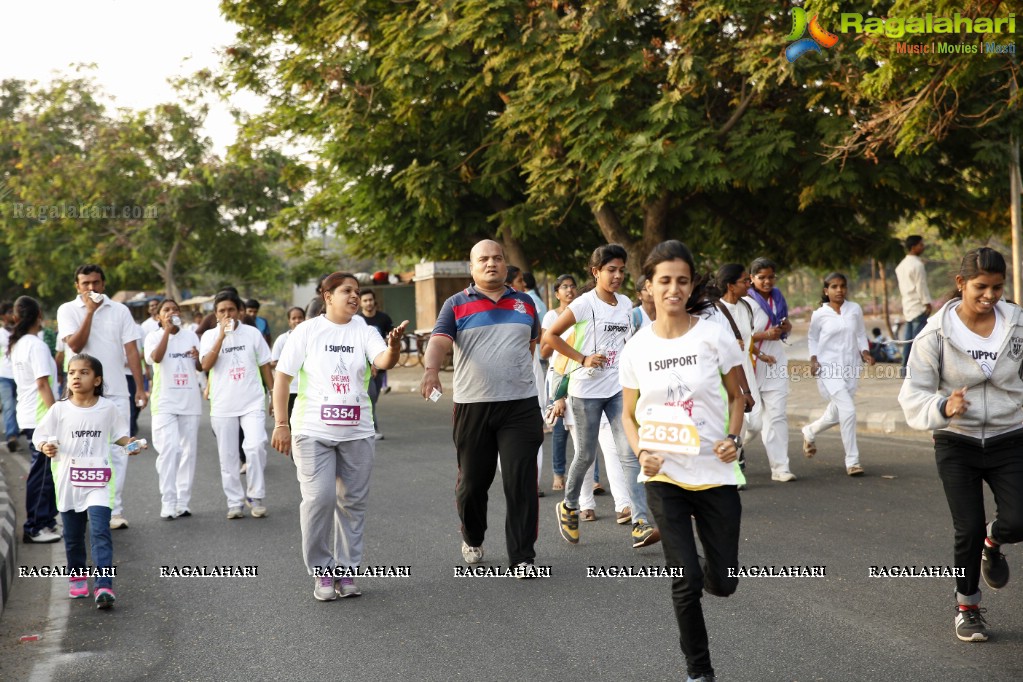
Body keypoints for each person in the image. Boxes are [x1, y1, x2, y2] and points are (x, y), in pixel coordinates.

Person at [620, 240, 746, 682]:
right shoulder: (635, 348)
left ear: (692, 285)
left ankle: (714, 573)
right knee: (685, 580)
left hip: (715, 474)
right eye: (664, 281)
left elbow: (737, 397)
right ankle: (699, 672)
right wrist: (641, 453)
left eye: (682, 280)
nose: (673, 289)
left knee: (724, 581)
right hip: (665, 477)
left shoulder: (713, 334)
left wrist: (734, 438)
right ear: (650, 287)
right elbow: (628, 415)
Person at [899, 247, 1023, 643]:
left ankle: (995, 538)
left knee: (1018, 521)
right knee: (966, 527)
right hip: (958, 441)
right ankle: (967, 607)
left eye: (997, 287)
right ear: (960, 284)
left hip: (1010, 436)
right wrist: (943, 405)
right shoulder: (934, 333)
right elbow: (913, 392)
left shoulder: (1017, 325)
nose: (990, 296)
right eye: (980, 287)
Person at [272, 272, 407, 600]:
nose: (354, 297)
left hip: (358, 431)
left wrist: (394, 345)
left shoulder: (364, 329)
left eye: (357, 292)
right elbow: (282, 378)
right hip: (311, 430)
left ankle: (346, 570)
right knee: (320, 499)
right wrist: (280, 423)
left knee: (353, 502)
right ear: (327, 295)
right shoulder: (307, 331)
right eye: (347, 291)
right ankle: (321, 570)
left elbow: (384, 360)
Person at [419, 239, 544, 574]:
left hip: (520, 406)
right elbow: (440, 341)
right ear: (472, 267)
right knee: (472, 484)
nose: (492, 264)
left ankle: (522, 557)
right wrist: (431, 371)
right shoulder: (456, 304)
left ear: (506, 265)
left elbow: (530, 344)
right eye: (484, 259)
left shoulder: (526, 304)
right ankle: (473, 535)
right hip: (474, 406)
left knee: (520, 480)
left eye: (498, 258)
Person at [545, 243, 659, 549]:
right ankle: (569, 505)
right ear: (596, 272)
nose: (618, 275)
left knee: (629, 452)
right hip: (585, 391)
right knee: (586, 454)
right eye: (611, 270)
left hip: (618, 389)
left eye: (622, 270)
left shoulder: (625, 305)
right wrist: (582, 359)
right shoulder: (583, 304)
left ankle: (640, 522)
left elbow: (631, 344)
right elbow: (550, 337)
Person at [33, 354, 148, 608]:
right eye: (72, 372)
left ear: (97, 380)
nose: (76, 376)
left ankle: (104, 586)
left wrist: (131, 445)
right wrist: (45, 446)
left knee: (100, 532)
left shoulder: (107, 408)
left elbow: (120, 436)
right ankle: (77, 577)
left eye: (84, 372)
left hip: (99, 482)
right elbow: (39, 436)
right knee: (73, 537)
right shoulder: (59, 409)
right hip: (68, 483)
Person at [57, 264, 147, 530]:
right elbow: (74, 345)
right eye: (85, 284)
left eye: (96, 283)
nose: (91, 289)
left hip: (117, 390)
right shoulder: (67, 310)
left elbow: (131, 351)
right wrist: (90, 313)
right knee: (84, 451)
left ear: (104, 284)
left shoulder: (120, 310)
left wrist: (140, 388)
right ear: (77, 286)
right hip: (80, 396)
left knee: (119, 451)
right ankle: (86, 506)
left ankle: (113, 510)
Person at [200, 290, 274, 519]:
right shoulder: (209, 336)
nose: (227, 314)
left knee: (256, 445)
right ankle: (234, 501)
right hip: (223, 404)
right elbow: (205, 365)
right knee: (228, 456)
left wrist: (272, 394)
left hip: (252, 401)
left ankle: (255, 495)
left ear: (239, 311)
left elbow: (265, 365)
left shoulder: (252, 334)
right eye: (222, 311)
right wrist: (221, 336)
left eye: (231, 309)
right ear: (215, 314)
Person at [801, 273, 875, 476]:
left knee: (837, 412)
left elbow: (860, 334)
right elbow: (812, 338)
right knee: (848, 411)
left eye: (842, 286)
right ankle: (853, 461)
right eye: (834, 286)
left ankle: (810, 431)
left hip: (851, 366)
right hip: (828, 367)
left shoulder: (854, 310)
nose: (839, 290)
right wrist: (814, 359)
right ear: (826, 291)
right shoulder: (820, 314)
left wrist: (865, 352)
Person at [144, 299, 202, 519]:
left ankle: (183, 501)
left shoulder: (190, 335)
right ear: (159, 317)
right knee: (170, 450)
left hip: (189, 400)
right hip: (165, 402)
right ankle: (167, 501)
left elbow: (199, 366)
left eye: (175, 309)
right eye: (166, 310)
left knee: (188, 452)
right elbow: (155, 359)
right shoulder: (153, 337)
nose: (172, 313)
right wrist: (167, 332)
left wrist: (197, 359)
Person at [9, 297, 59, 543]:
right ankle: (35, 525)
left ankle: (46, 521)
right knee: (43, 474)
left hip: (30, 414)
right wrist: (56, 415)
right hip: (41, 416)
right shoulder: (35, 345)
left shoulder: (19, 344)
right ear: (39, 314)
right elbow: (42, 383)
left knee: (45, 471)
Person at [745, 257, 796, 482]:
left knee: (777, 416)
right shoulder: (745, 302)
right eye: (761, 277)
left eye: (770, 277)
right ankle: (732, 448)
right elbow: (738, 335)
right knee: (752, 421)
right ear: (751, 278)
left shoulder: (778, 298)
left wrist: (786, 328)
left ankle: (780, 467)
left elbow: (784, 325)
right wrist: (764, 335)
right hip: (751, 364)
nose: (767, 282)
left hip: (775, 362)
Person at [357, 290, 394, 439]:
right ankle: (372, 429)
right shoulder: (358, 320)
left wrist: (385, 343)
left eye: (370, 300)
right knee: (369, 397)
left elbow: (393, 337)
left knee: (374, 397)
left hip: (381, 364)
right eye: (365, 300)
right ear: (360, 303)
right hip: (365, 365)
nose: (368, 303)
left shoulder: (383, 318)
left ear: (374, 301)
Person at [895, 235, 932, 371]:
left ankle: (905, 368)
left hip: (908, 305)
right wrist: (927, 302)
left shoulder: (901, 265)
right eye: (921, 245)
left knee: (908, 340)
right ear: (913, 247)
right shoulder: (917, 265)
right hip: (918, 305)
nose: (923, 247)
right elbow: (921, 286)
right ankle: (915, 369)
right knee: (918, 340)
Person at [270, 307, 306, 421]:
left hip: (305, 390)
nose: (297, 320)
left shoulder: (310, 338)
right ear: (289, 321)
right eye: (293, 318)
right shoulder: (282, 339)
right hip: (289, 389)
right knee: (289, 421)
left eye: (300, 318)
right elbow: (273, 362)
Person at [0, 300, 21, 451]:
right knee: (9, 406)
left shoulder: (21, 331)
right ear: (2, 316)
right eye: (9, 312)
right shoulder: (1, 334)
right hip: (4, 376)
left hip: (21, 375)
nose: (12, 315)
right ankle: (12, 436)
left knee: (20, 406)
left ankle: (20, 432)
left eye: (14, 312)